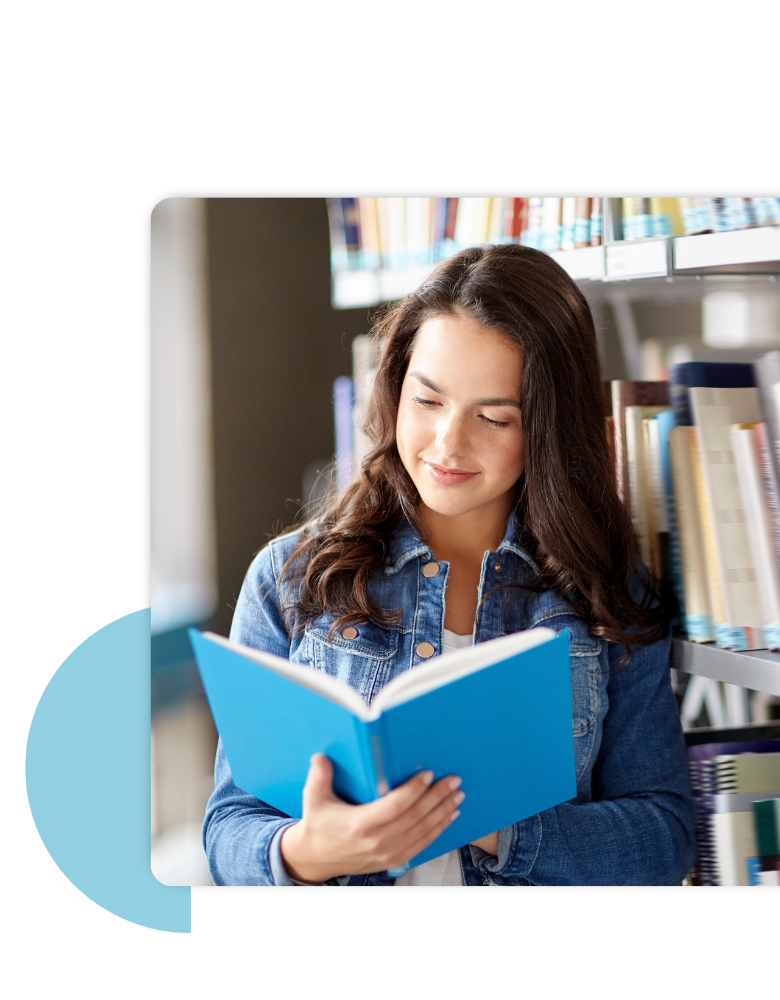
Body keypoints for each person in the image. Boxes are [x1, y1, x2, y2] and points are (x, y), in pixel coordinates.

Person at [203, 244, 696, 886]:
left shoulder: (606, 592)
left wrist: (486, 820)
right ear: (394, 388)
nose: (448, 444)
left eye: (494, 417)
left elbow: (663, 839)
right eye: (428, 402)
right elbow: (228, 829)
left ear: (548, 428)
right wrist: (307, 852)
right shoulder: (290, 578)